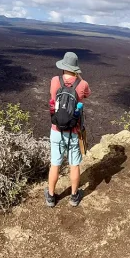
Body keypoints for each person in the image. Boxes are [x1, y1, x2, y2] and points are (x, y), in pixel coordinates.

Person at [45, 52, 91, 208]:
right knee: (74, 165)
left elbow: (52, 97)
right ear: (76, 68)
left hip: (56, 130)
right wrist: (80, 78)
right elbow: (87, 95)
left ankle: (51, 197)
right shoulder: (82, 84)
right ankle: (73, 196)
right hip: (74, 132)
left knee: (55, 164)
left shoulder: (54, 81)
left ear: (63, 66)